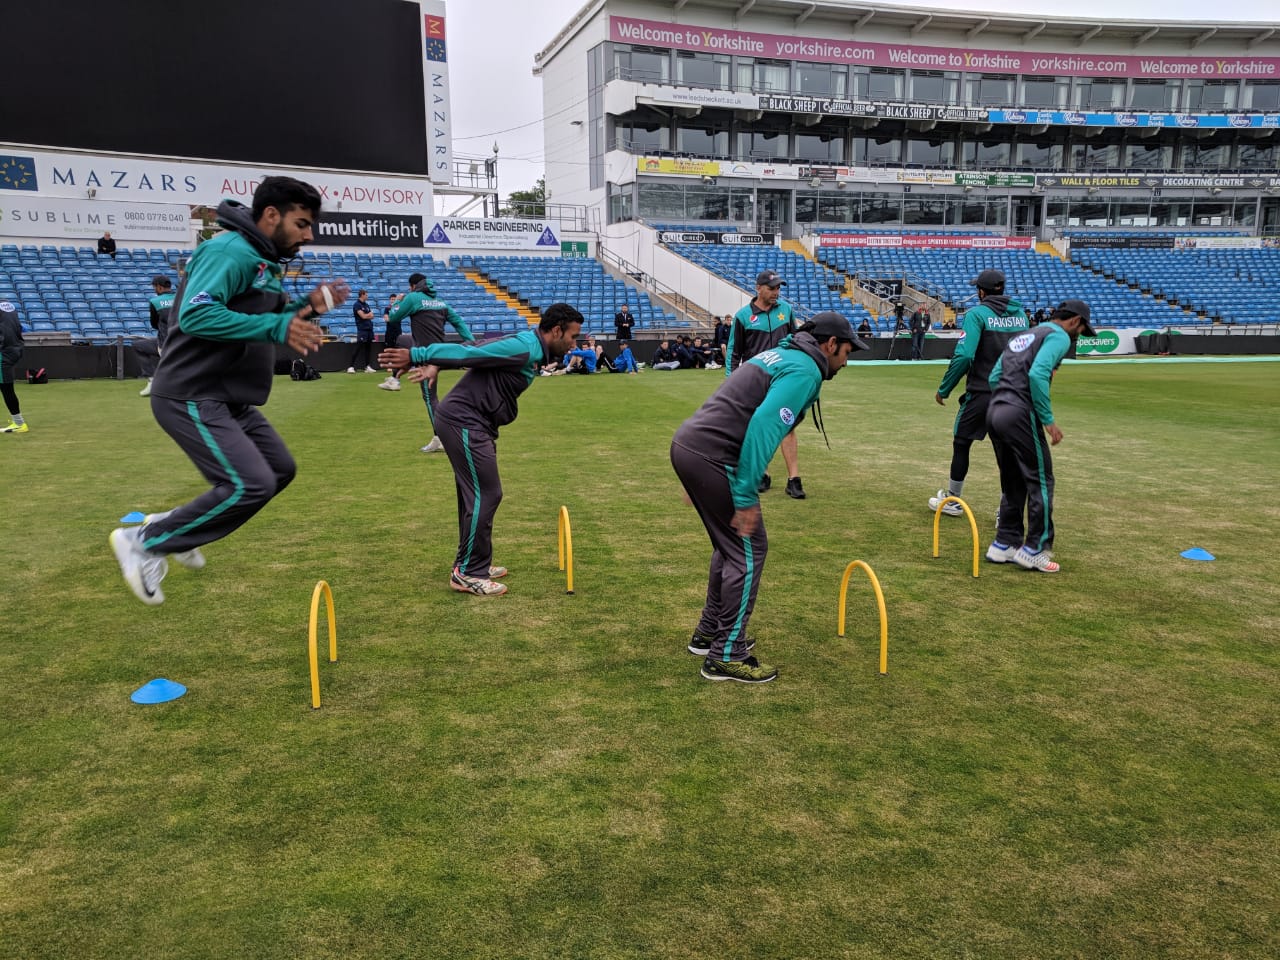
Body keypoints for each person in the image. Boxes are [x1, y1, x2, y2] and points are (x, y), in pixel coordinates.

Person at [109, 176, 348, 606]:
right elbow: (197, 315)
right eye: (302, 223)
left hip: (230, 398)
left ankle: (176, 529)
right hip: (192, 393)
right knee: (250, 484)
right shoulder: (228, 250)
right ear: (271, 215)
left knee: (279, 470)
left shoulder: (265, 260)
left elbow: (261, 321)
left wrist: (307, 307)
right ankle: (144, 539)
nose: (309, 235)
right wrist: (279, 323)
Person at [671, 312, 869, 683]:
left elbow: (726, 398)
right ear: (829, 345)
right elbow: (764, 424)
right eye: (846, 351)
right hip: (713, 456)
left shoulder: (782, 355)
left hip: (693, 447)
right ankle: (726, 654)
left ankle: (709, 632)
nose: (847, 360)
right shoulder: (805, 369)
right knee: (748, 549)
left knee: (728, 547)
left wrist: (695, 465)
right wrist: (745, 493)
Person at [377, 303, 584, 596]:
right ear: (556, 330)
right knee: (487, 494)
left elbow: (478, 345)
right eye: (573, 336)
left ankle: (471, 563)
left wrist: (436, 363)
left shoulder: (528, 345)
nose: (575, 343)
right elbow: (469, 353)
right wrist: (417, 355)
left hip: (476, 424)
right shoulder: (527, 348)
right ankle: (469, 573)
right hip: (464, 421)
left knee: (473, 495)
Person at [986, 300, 1094, 574]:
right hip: (1020, 412)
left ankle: (1004, 544)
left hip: (995, 410)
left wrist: (1005, 400)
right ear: (1074, 321)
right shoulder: (1058, 336)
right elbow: (1037, 374)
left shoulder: (1027, 333)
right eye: (1081, 329)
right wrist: (1047, 420)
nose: (1079, 335)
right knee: (1041, 480)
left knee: (1013, 480)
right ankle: (1035, 548)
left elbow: (994, 376)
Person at [929, 268, 1030, 517]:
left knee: (962, 442)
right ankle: (1006, 513)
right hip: (1013, 395)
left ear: (981, 291)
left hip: (982, 393)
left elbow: (964, 355)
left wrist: (945, 389)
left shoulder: (977, 314)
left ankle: (953, 501)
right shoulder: (1021, 316)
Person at [726, 270, 804, 499]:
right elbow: (734, 351)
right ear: (758, 288)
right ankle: (762, 473)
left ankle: (794, 480)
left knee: (787, 427)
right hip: (755, 380)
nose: (776, 293)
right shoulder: (742, 317)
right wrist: (732, 382)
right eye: (772, 288)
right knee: (756, 428)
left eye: (779, 288)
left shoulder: (786, 311)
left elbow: (799, 342)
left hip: (784, 380)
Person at [386, 273, 475, 453]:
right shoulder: (441, 302)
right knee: (430, 396)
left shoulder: (413, 298)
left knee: (429, 398)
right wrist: (473, 346)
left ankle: (442, 438)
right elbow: (459, 323)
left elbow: (393, 317)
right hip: (440, 355)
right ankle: (395, 377)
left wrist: (397, 301)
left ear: (412, 286)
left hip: (425, 357)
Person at [135, 275, 176, 397]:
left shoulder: (155, 302)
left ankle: (152, 382)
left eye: (154, 287)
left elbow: (154, 324)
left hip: (165, 345)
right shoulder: (181, 298)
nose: (154, 289)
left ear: (159, 287)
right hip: (183, 342)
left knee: (138, 346)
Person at [0, 300, 28, 434]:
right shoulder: (7, 304)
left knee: (6, 388)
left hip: (3, 352)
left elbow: (6, 332)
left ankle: (19, 423)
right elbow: (17, 326)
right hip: (14, 349)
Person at [378, 293, 405, 390]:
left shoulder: (398, 308)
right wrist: (392, 318)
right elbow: (386, 319)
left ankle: (396, 366)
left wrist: (391, 318)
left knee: (398, 349)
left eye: (394, 299)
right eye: (392, 299)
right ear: (390, 300)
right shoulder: (387, 308)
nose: (393, 300)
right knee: (389, 348)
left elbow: (398, 317)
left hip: (398, 331)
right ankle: (389, 364)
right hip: (389, 331)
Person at [346, 289, 377, 373]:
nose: (367, 296)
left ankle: (367, 366)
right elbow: (362, 316)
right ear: (362, 295)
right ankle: (350, 366)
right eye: (366, 294)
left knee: (368, 348)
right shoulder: (357, 305)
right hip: (362, 329)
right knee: (358, 347)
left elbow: (372, 316)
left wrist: (368, 315)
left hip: (369, 329)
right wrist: (368, 315)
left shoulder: (366, 305)